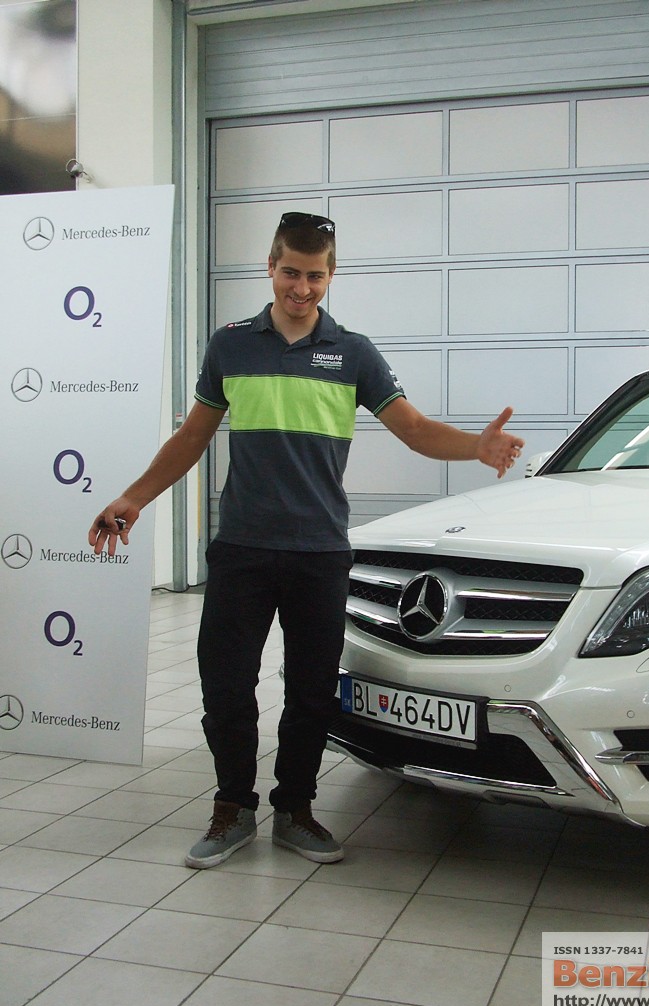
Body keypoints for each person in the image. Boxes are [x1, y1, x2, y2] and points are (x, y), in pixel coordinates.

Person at [89, 211, 525, 870]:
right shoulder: (231, 346)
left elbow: (412, 429)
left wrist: (476, 447)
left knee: (312, 693)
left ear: (330, 276)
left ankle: (295, 809)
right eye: (291, 272)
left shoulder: (354, 353)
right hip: (242, 548)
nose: (301, 288)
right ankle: (233, 807)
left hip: (319, 552)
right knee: (226, 690)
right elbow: (191, 438)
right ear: (271, 267)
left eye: (315, 276)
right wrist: (133, 498)